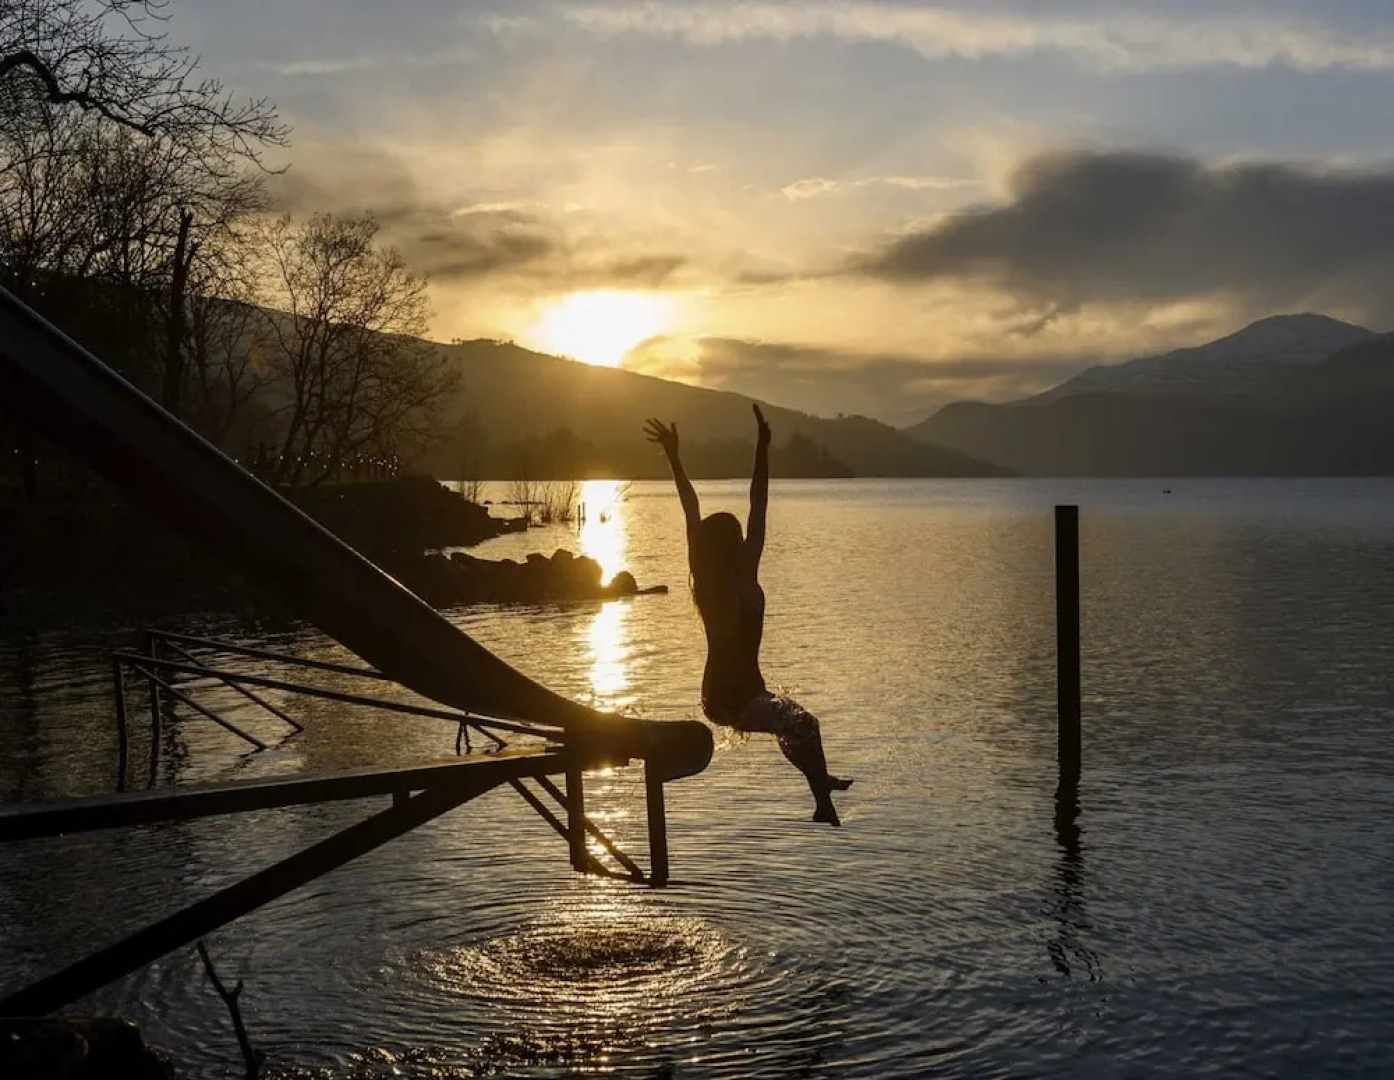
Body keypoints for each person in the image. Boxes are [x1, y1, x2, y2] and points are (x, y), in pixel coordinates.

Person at [645, 405, 852, 825]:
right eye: (738, 535)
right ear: (726, 544)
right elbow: (690, 509)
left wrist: (762, 447)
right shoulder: (708, 580)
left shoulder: (743, 571)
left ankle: (820, 785)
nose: (747, 536)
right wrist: (673, 458)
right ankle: (821, 798)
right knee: (803, 724)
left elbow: (759, 501)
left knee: (793, 725)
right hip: (723, 698)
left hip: (748, 693)